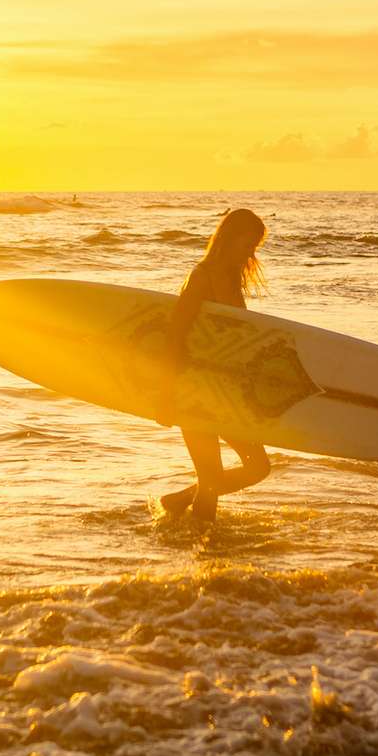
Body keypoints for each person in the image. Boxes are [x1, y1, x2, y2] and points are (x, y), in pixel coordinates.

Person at [155, 208, 274, 523]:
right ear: (228, 239)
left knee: (258, 467)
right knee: (211, 480)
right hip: (192, 389)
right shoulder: (202, 276)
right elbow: (175, 334)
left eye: (254, 247)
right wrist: (166, 394)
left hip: (224, 392)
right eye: (247, 245)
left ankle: (181, 500)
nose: (250, 253)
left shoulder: (233, 277)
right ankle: (206, 559)